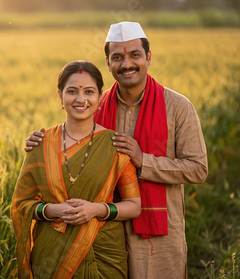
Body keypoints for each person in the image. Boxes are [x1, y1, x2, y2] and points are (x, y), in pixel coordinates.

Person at [24, 22, 208, 278]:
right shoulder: (95, 105)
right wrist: (40, 141)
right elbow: (69, 146)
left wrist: (143, 160)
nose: (127, 64)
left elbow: (198, 169)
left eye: (135, 55)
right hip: (100, 230)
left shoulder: (177, 107)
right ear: (108, 63)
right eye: (117, 57)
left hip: (157, 234)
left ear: (149, 57)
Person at [11, 60, 141, 278]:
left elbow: (134, 205)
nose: (81, 99)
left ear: (100, 98)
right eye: (72, 91)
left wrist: (96, 210)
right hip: (51, 252)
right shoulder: (41, 144)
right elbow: (21, 203)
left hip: (104, 253)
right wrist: (53, 211)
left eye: (89, 92)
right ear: (60, 97)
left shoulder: (115, 145)